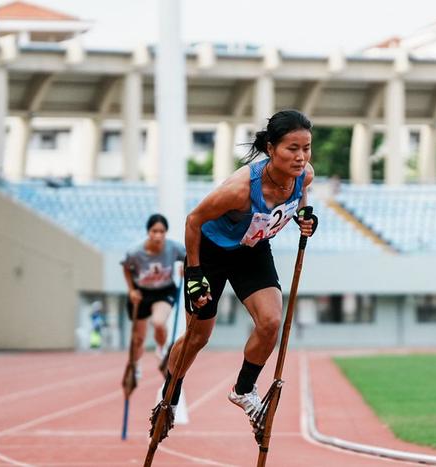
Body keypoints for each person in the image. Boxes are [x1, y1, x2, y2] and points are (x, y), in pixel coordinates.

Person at [161, 109, 317, 422]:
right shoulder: (240, 189)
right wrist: (193, 274)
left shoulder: (305, 175)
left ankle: (244, 389)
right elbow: (193, 221)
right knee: (198, 336)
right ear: (271, 149)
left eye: (306, 148)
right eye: (292, 149)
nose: (301, 157)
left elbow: (300, 198)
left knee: (271, 321)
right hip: (211, 252)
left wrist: (304, 214)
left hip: (251, 248)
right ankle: (170, 395)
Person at [122, 214, 185, 379]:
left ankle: (161, 349)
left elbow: (190, 255)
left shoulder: (173, 247)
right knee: (138, 339)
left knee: (158, 322)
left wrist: (187, 266)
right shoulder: (135, 252)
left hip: (164, 291)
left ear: (166, 232)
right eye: (154, 231)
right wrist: (131, 290)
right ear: (148, 232)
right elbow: (126, 267)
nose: (158, 235)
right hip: (141, 293)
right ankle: (135, 364)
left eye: (161, 231)